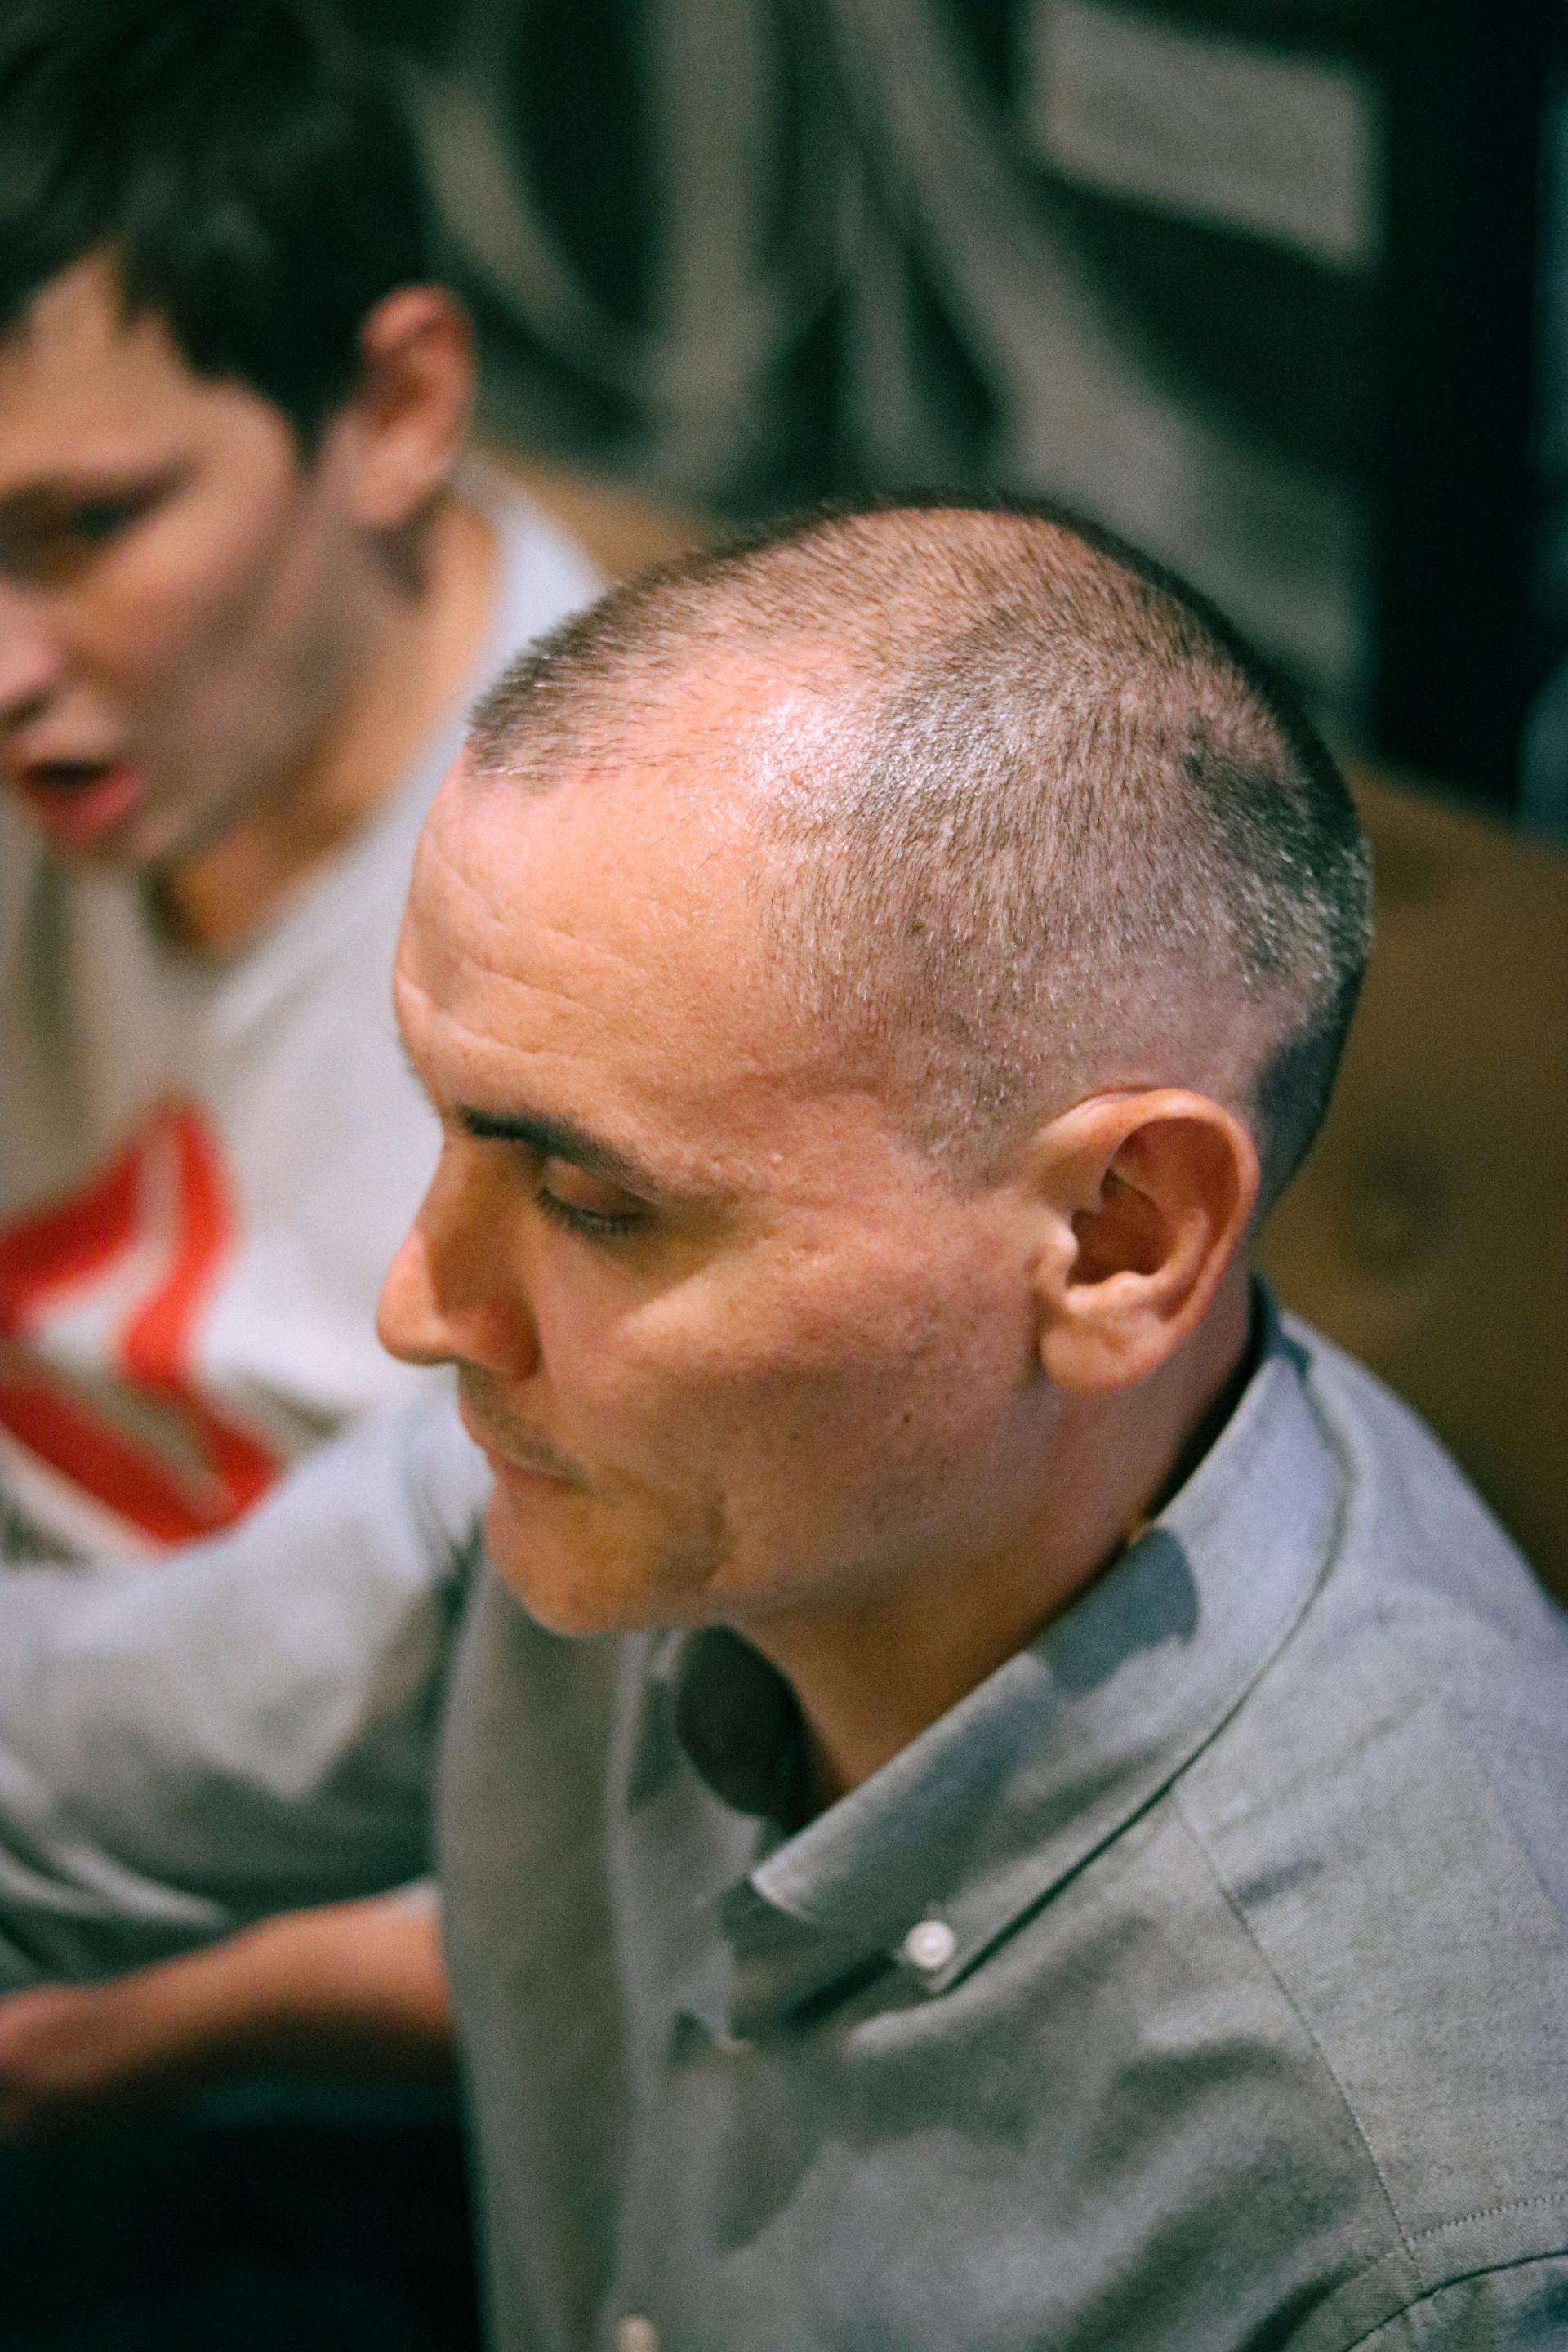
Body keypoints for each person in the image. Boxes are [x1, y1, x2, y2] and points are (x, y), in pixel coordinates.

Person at [2, 498, 1566, 2350]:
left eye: (592, 1201)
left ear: (1115, 1241)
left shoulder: (1415, 2217)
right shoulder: (633, 1467)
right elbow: (64, 1764)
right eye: (448, 1123)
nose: (420, 1309)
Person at [0, 0, 596, 2267]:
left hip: (301, 2046)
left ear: (398, 408)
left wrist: (119, 2039)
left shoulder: (640, 923)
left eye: (84, 527)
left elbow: (685, 1868)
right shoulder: (116, 743)